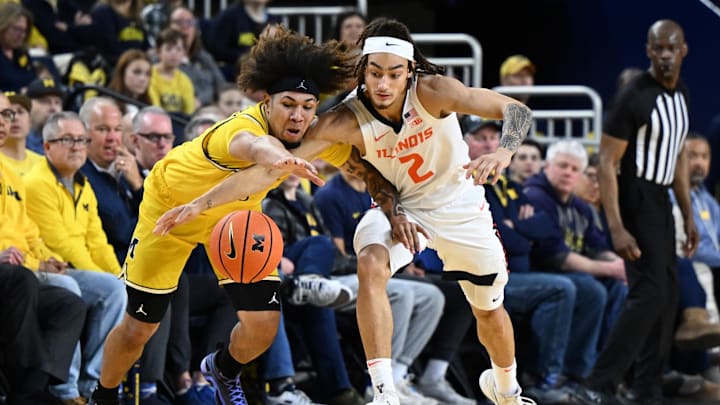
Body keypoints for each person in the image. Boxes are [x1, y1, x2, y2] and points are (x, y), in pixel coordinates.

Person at [157, 17, 535, 405]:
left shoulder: (435, 91)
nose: (383, 84)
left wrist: (503, 151)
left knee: (488, 311)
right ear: (362, 71)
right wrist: (201, 203)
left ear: (410, 71)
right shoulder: (345, 120)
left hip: (461, 207)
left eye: (393, 74)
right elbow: (267, 171)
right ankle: (385, 393)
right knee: (371, 261)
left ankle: (508, 391)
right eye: (374, 73)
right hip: (402, 208)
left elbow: (516, 110)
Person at [89, 25, 358, 405]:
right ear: (267, 101)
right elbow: (254, 145)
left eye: (307, 107)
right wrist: (278, 158)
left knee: (264, 326)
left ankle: (223, 368)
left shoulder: (309, 133)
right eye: (288, 104)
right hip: (171, 211)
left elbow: (358, 159)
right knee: (139, 328)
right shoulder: (241, 128)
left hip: (232, 220)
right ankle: (104, 394)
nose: (298, 116)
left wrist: (391, 190)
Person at [574, 19, 699, 404]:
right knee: (648, 294)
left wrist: (688, 215)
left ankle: (648, 385)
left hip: (660, 198)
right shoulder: (635, 96)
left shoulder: (681, 95)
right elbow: (606, 164)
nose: (664, 55)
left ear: (684, 51)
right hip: (633, 195)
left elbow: (678, 159)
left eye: (671, 48)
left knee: (667, 293)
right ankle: (598, 384)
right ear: (648, 51)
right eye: (657, 48)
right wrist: (616, 227)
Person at [24, 111, 127, 403]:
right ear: (46, 147)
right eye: (67, 140)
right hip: (47, 267)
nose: (76, 147)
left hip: (74, 268)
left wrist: (120, 275)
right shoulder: (37, 184)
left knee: (117, 289)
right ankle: (65, 390)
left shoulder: (83, 185)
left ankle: (93, 385)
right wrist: (105, 276)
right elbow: (63, 244)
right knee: (82, 290)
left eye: (81, 140)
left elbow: (97, 239)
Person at [168, 6, 227, 107]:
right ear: (168, 27)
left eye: (190, 22)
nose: (185, 26)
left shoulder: (203, 57)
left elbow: (222, 86)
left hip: (212, 110)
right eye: (179, 22)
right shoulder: (160, 58)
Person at [149, 27, 196, 115]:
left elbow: (189, 113)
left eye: (178, 49)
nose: (174, 53)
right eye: (168, 49)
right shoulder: (149, 75)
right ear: (158, 51)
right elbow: (155, 110)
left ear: (184, 53)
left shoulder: (185, 80)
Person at [0, 91, 42, 176]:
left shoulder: (42, 163)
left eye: (20, 111)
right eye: (7, 114)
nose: (15, 118)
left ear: (30, 121)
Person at [0, 3, 38, 92]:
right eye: (17, 29)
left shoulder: (21, 54)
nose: (21, 35)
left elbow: (33, 80)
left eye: (24, 31)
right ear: (3, 26)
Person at [107, 49, 153, 115]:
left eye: (148, 74)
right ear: (122, 73)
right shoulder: (108, 104)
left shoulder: (148, 106)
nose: (143, 79)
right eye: (136, 72)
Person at [25, 77, 64, 155]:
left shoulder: (71, 143)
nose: (53, 108)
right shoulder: (17, 141)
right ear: (28, 106)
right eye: (45, 102)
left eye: (57, 102)